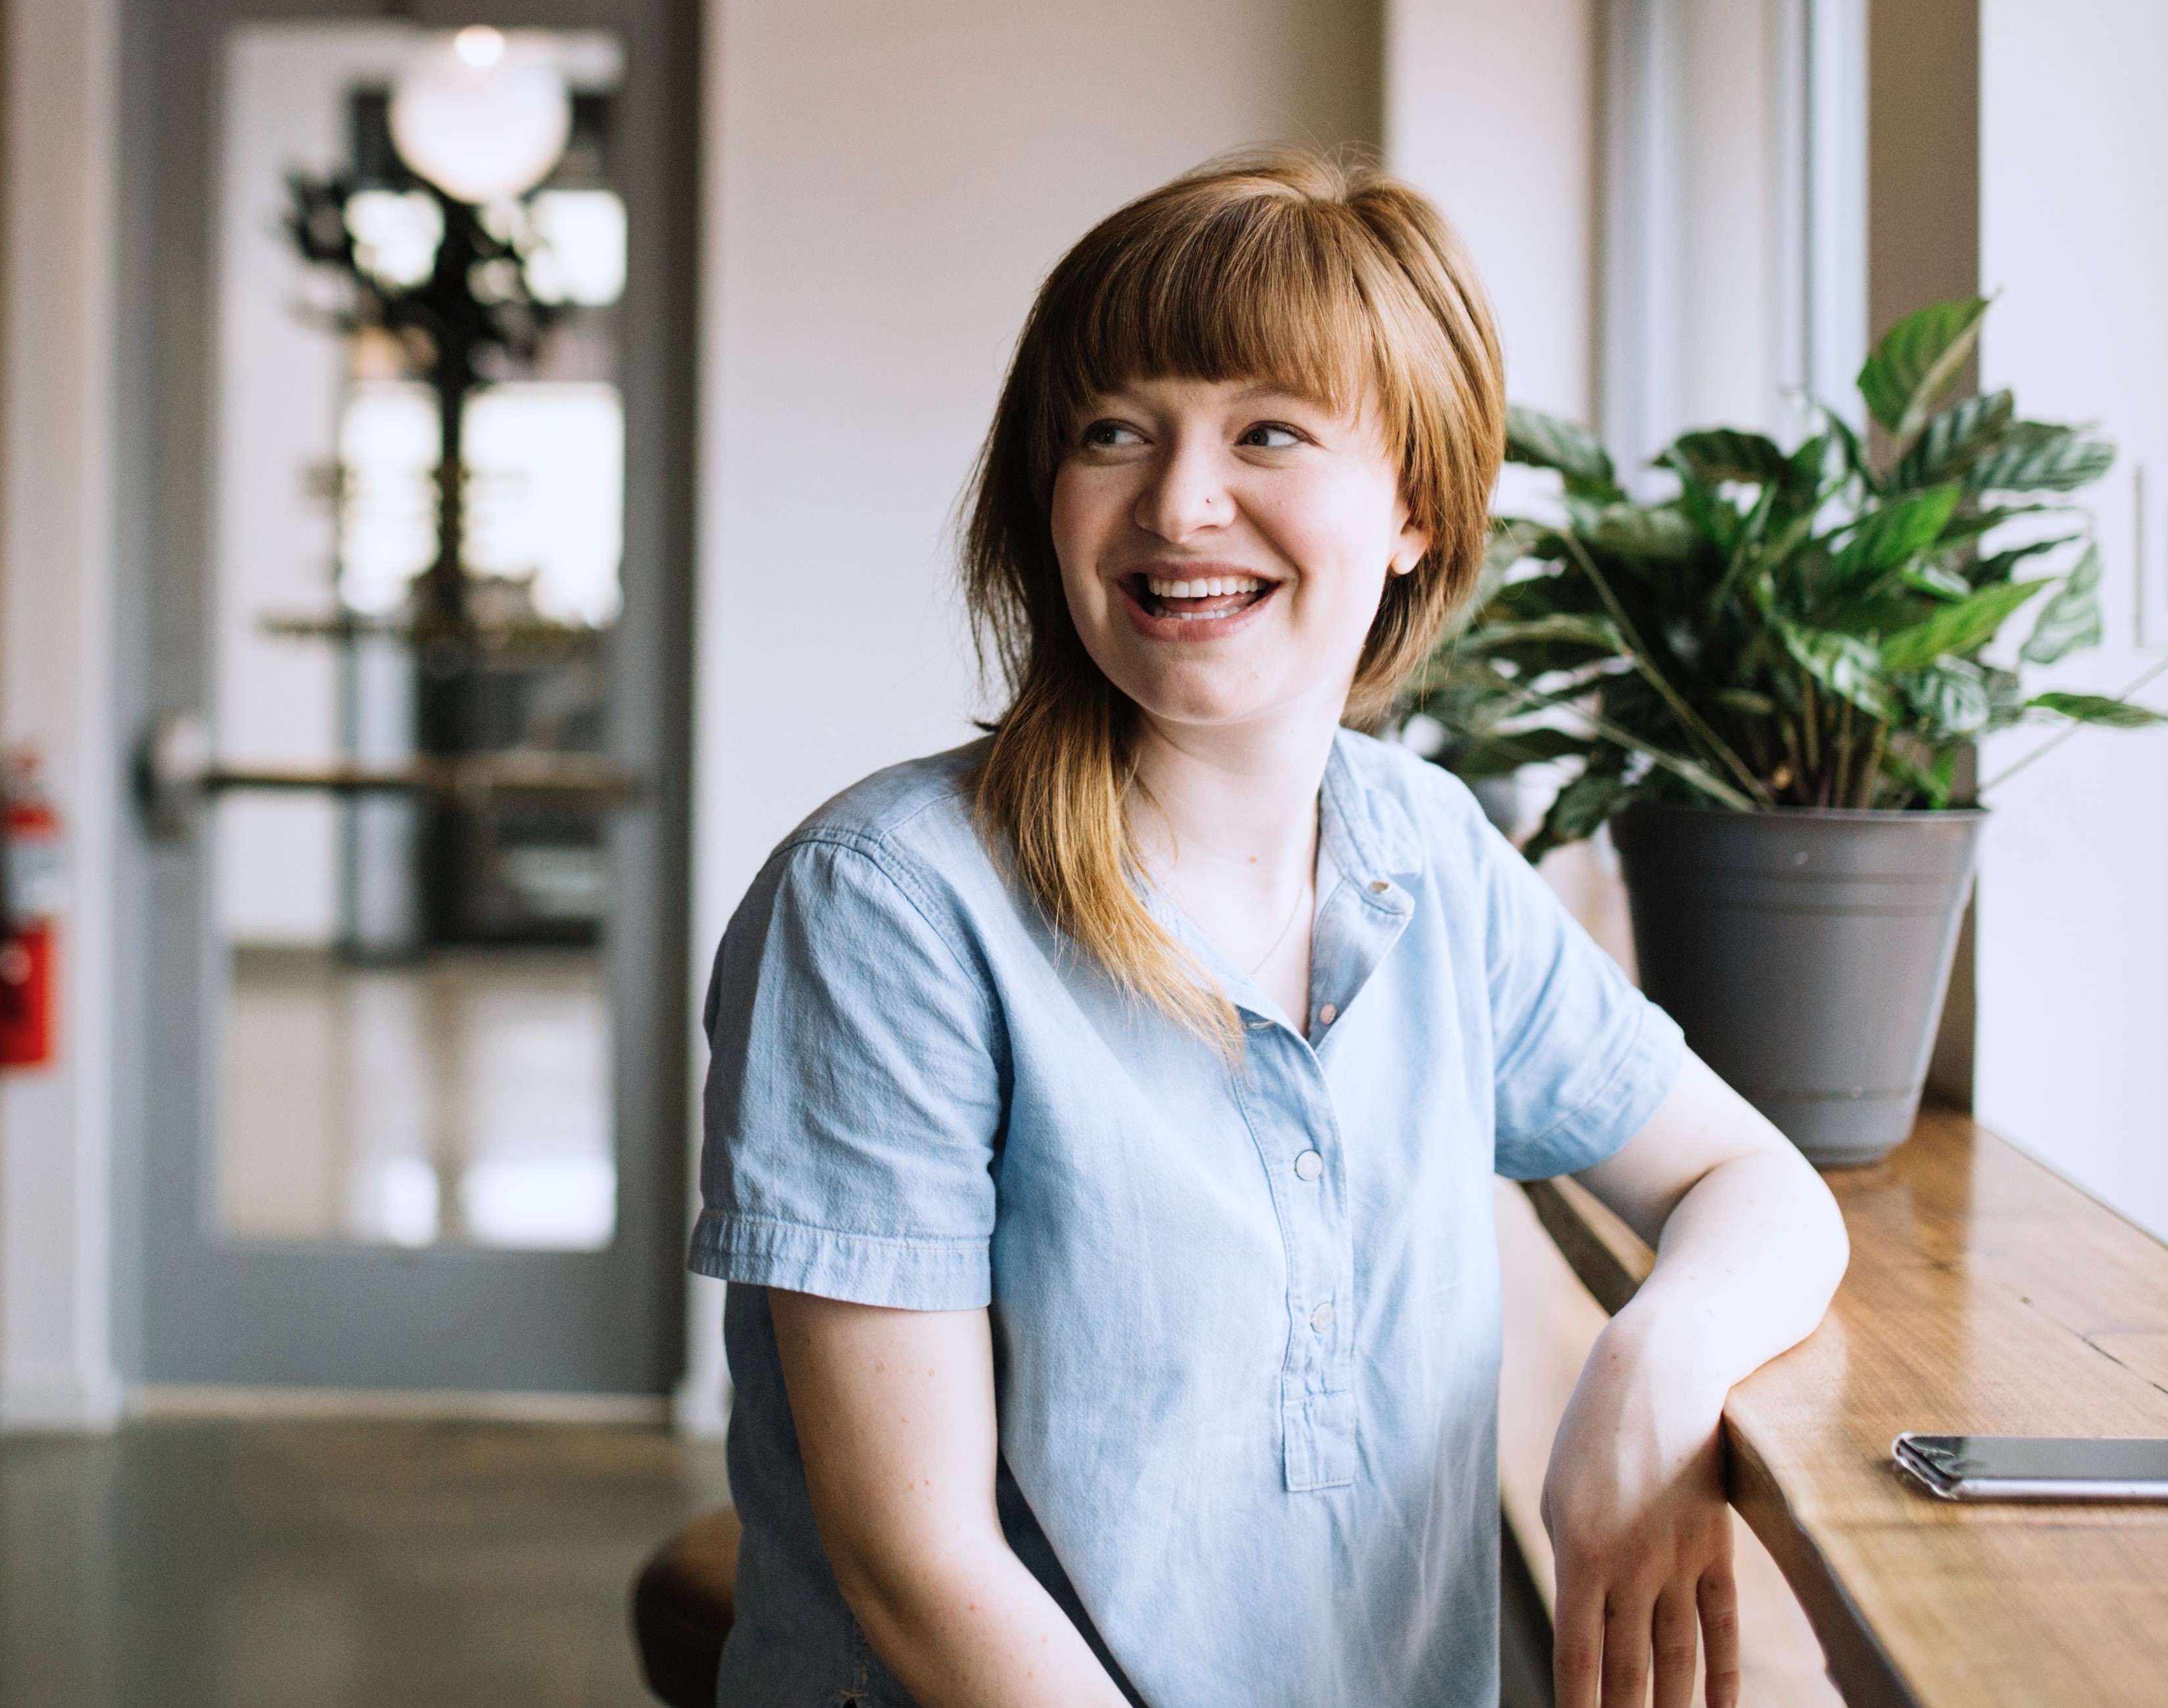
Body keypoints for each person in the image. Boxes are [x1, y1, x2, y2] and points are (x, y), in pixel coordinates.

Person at [691, 150, 1847, 1708]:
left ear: (1416, 511)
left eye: (1268, 433)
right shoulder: (887, 906)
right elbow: (921, 1570)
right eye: (1114, 432)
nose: (1178, 503)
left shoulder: (1425, 851)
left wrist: (1655, 1364)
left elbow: (1752, 1183)